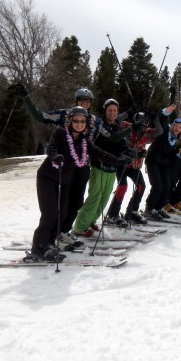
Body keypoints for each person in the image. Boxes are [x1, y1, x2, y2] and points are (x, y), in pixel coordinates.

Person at [11, 85, 127, 245]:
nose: (84, 104)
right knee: (57, 206)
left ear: (91, 103)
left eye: (87, 101)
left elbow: (112, 138)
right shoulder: (66, 115)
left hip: (83, 166)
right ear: (76, 101)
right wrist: (26, 98)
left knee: (76, 202)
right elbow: (39, 116)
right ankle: (50, 235)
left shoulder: (95, 121)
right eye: (81, 100)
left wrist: (130, 135)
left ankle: (64, 231)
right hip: (63, 165)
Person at [27, 107, 129, 262]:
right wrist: (55, 157)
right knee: (50, 213)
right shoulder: (61, 133)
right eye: (76, 120)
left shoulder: (84, 141)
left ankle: (49, 244)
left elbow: (100, 154)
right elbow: (52, 147)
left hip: (65, 180)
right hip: (47, 177)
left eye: (83, 121)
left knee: (62, 214)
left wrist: (120, 160)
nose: (79, 124)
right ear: (70, 121)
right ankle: (38, 248)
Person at [72, 99, 133, 236]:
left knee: (104, 199)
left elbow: (121, 144)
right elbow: (107, 143)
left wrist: (129, 152)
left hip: (112, 168)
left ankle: (91, 221)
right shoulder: (100, 125)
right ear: (105, 111)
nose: (112, 113)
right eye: (109, 110)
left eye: (115, 110)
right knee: (94, 197)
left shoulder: (117, 126)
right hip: (99, 165)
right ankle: (80, 226)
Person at [105, 110, 163, 226]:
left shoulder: (147, 132)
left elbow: (159, 131)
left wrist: (155, 119)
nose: (140, 127)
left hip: (135, 166)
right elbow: (116, 121)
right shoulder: (127, 126)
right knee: (122, 187)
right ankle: (112, 214)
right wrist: (127, 113)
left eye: (143, 125)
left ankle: (132, 211)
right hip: (122, 164)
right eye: (139, 124)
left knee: (141, 186)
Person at [143, 105, 181, 220]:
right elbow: (164, 121)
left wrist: (178, 154)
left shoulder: (176, 140)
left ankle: (159, 207)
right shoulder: (166, 132)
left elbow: (170, 154)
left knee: (167, 187)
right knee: (158, 187)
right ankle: (149, 208)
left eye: (179, 127)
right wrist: (166, 113)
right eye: (175, 126)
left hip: (164, 164)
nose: (177, 128)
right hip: (153, 161)